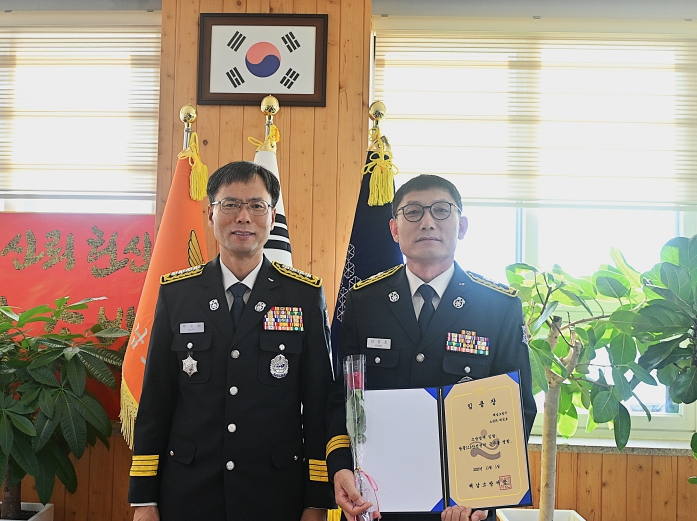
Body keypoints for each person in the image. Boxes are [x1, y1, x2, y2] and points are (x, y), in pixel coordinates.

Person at [128, 161, 337, 521]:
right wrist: (144, 500)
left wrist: (316, 501)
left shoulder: (303, 295)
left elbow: (318, 406)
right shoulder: (178, 294)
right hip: (189, 492)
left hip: (275, 493)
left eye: (257, 205)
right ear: (210, 214)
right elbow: (155, 404)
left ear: (272, 217)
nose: (244, 217)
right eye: (230, 205)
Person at [326, 175, 537, 521]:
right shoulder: (364, 303)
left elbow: (518, 408)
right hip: (380, 503)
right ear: (394, 229)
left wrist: (485, 495)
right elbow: (343, 398)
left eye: (441, 210)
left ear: (462, 226)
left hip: (464, 507)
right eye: (413, 212)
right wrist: (340, 467)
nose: (427, 222)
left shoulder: (498, 307)